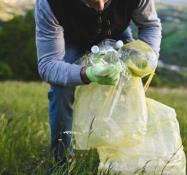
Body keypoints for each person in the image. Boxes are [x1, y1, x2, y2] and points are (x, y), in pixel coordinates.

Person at [35, 0, 162, 165]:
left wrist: (147, 57)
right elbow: (48, 65)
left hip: (116, 34)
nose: (101, 7)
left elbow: (150, 25)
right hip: (71, 39)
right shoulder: (50, 4)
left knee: (128, 83)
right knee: (61, 90)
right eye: (91, 1)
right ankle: (62, 161)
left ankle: (121, 158)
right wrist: (86, 73)